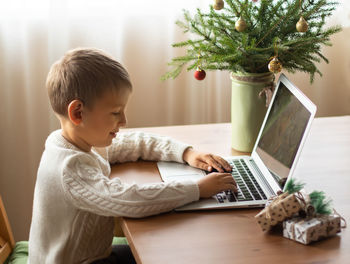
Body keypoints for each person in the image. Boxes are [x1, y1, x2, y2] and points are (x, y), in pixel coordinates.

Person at [28, 47, 237, 264]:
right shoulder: (70, 167)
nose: (124, 121)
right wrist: (197, 189)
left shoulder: (71, 141)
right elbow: (129, 200)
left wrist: (186, 153)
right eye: (116, 112)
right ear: (78, 113)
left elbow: (132, 143)